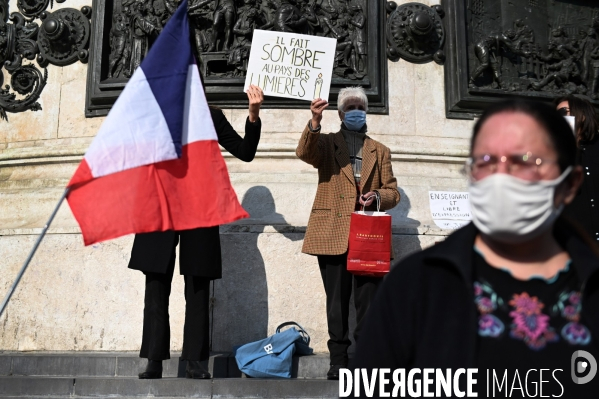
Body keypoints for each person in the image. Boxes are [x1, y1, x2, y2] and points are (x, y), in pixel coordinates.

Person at [352, 100, 599, 397]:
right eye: (486, 161)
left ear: (570, 183)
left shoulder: (591, 285)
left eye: (524, 160)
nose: (502, 176)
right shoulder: (416, 285)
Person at [129, 85, 264, 380]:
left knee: (198, 285)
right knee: (155, 284)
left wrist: (253, 113)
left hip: (198, 207)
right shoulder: (155, 116)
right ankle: (154, 359)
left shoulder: (211, 117)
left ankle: (195, 360)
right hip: (160, 205)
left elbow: (245, 152)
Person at [296, 86, 400, 380]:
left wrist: (377, 197)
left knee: (368, 301)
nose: (356, 111)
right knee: (336, 302)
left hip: (369, 235)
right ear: (341, 113)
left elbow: (393, 192)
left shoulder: (379, 150)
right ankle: (338, 361)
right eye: (351, 107)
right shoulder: (327, 143)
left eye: (361, 107)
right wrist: (315, 122)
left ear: (366, 112)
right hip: (332, 231)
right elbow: (305, 152)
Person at [555, 95, 599, 243]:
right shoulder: (556, 153)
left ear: (582, 114)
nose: (561, 116)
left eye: (565, 111)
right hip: (578, 244)